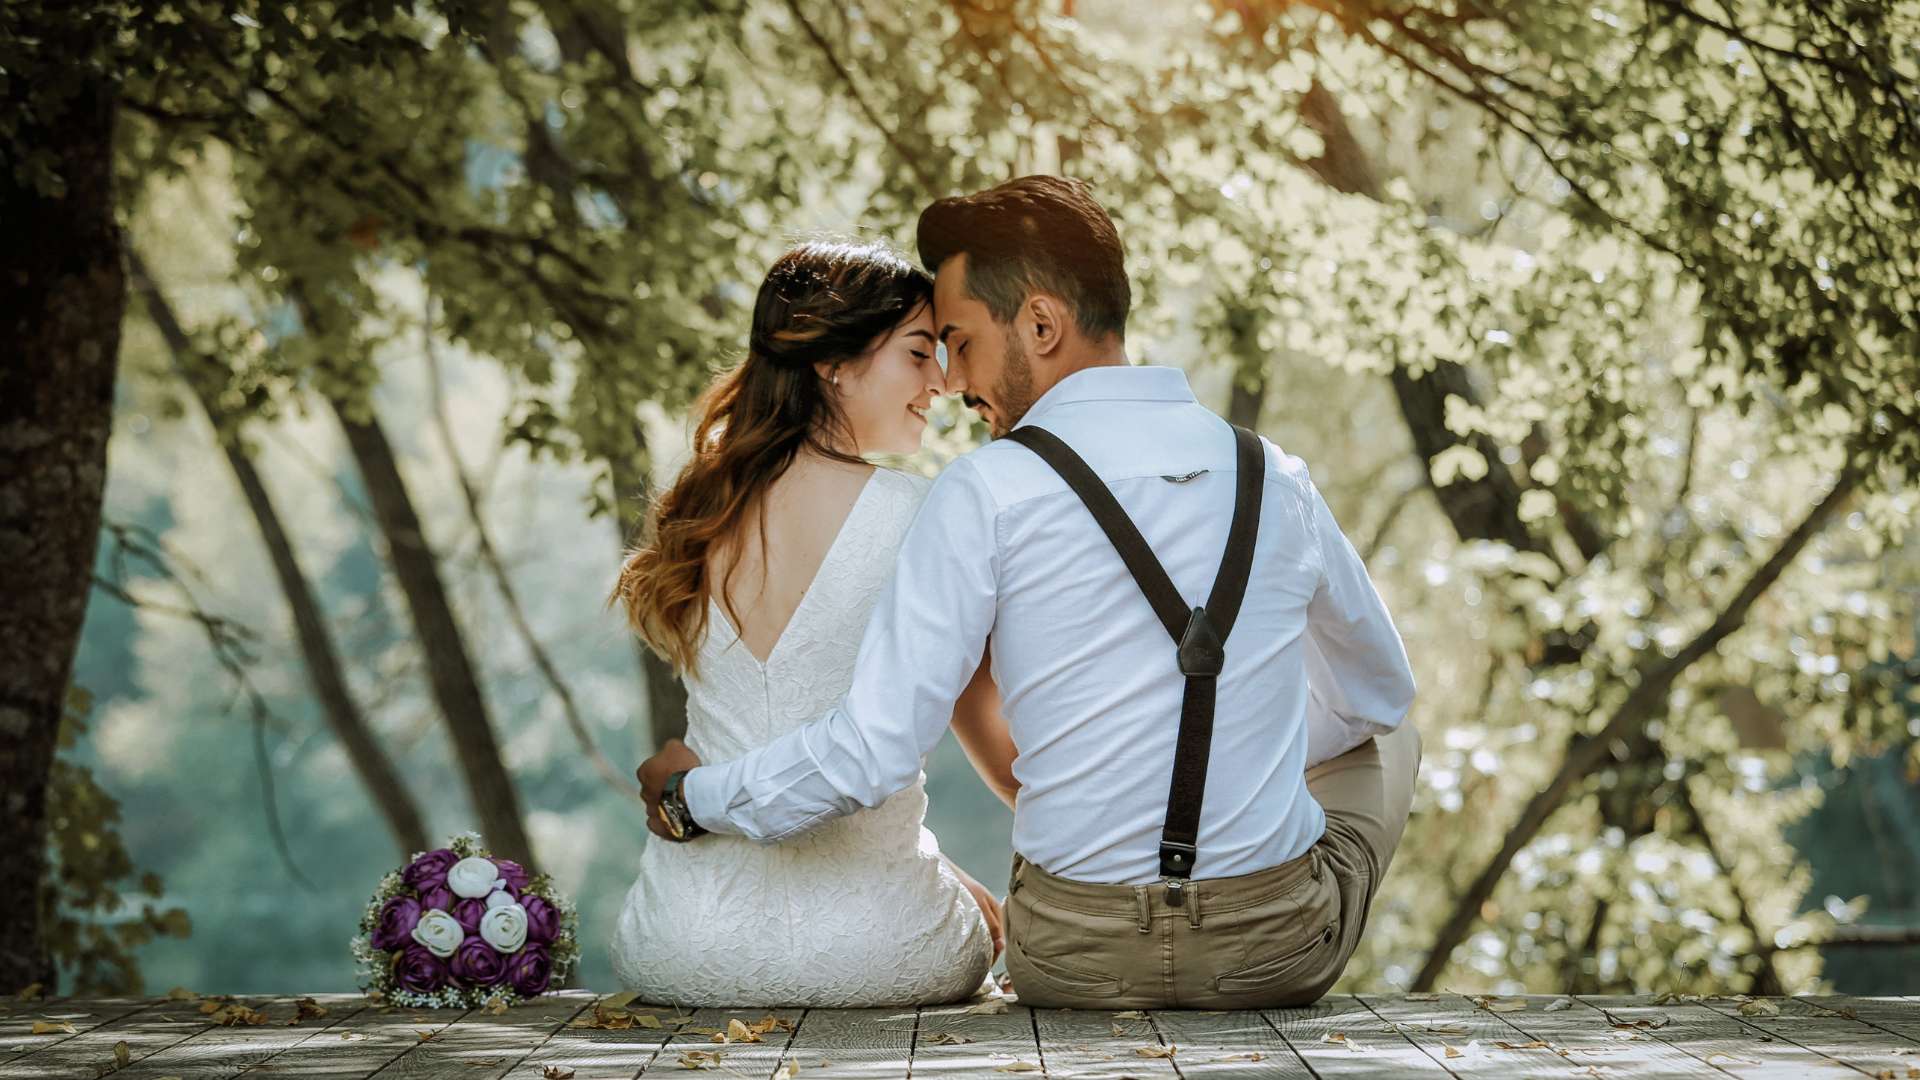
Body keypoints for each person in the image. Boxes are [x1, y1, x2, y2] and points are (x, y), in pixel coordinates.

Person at [639, 176, 1422, 1009]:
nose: (952, 380)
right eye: (930, 348)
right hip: (1273, 952)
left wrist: (695, 796)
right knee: (1388, 731)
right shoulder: (1278, 478)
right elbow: (1377, 694)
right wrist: (1244, 756)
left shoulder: (982, 492)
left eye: (960, 341)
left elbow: (873, 749)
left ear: (1041, 324)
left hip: (1070, 958)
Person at [606, 240, 1005, 1007]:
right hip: (883, 951)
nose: (944, 382)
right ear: (834, 363)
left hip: (682, 946)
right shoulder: (921, 513)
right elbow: (898, 755)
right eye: (919, 353)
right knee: (987, 928)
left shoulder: (698, 512)